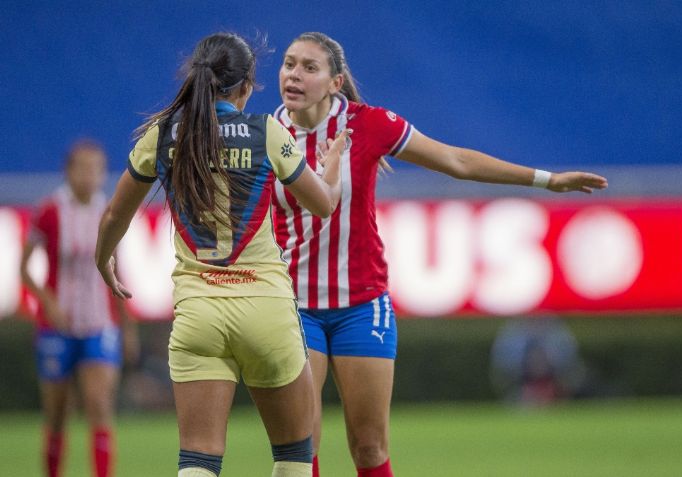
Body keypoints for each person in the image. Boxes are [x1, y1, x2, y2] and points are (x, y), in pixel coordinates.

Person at [271, 31, 608, 477]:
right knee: (300, 447)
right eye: (289, 64)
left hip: (361, 304)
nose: (293, 75)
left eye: (309, 67)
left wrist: (548, 180)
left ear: (336, 83)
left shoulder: (370, 125)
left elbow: (456, 161)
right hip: (294, 306)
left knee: (370, 447)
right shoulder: (267, 136)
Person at [94, 32, 350, 477]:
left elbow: (116, 213)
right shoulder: (266, 132)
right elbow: (323, 204)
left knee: (198, 458)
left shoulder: (163, 134)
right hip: (266, 310)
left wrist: (103, 260)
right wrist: (332, 166)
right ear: (246, 85)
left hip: (199, 313)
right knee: (294, 453)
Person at [19, 139, 139, 477]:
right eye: (82, 168)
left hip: (100, 324)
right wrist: (47, 302)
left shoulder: (109, 212)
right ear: (68, 171)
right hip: (56, 327)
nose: (89, 176)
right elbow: (24, 269)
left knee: (99, 405)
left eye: (95, 169)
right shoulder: (49, 211)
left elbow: (119, 271)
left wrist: (127, 327)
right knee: (57, 414)